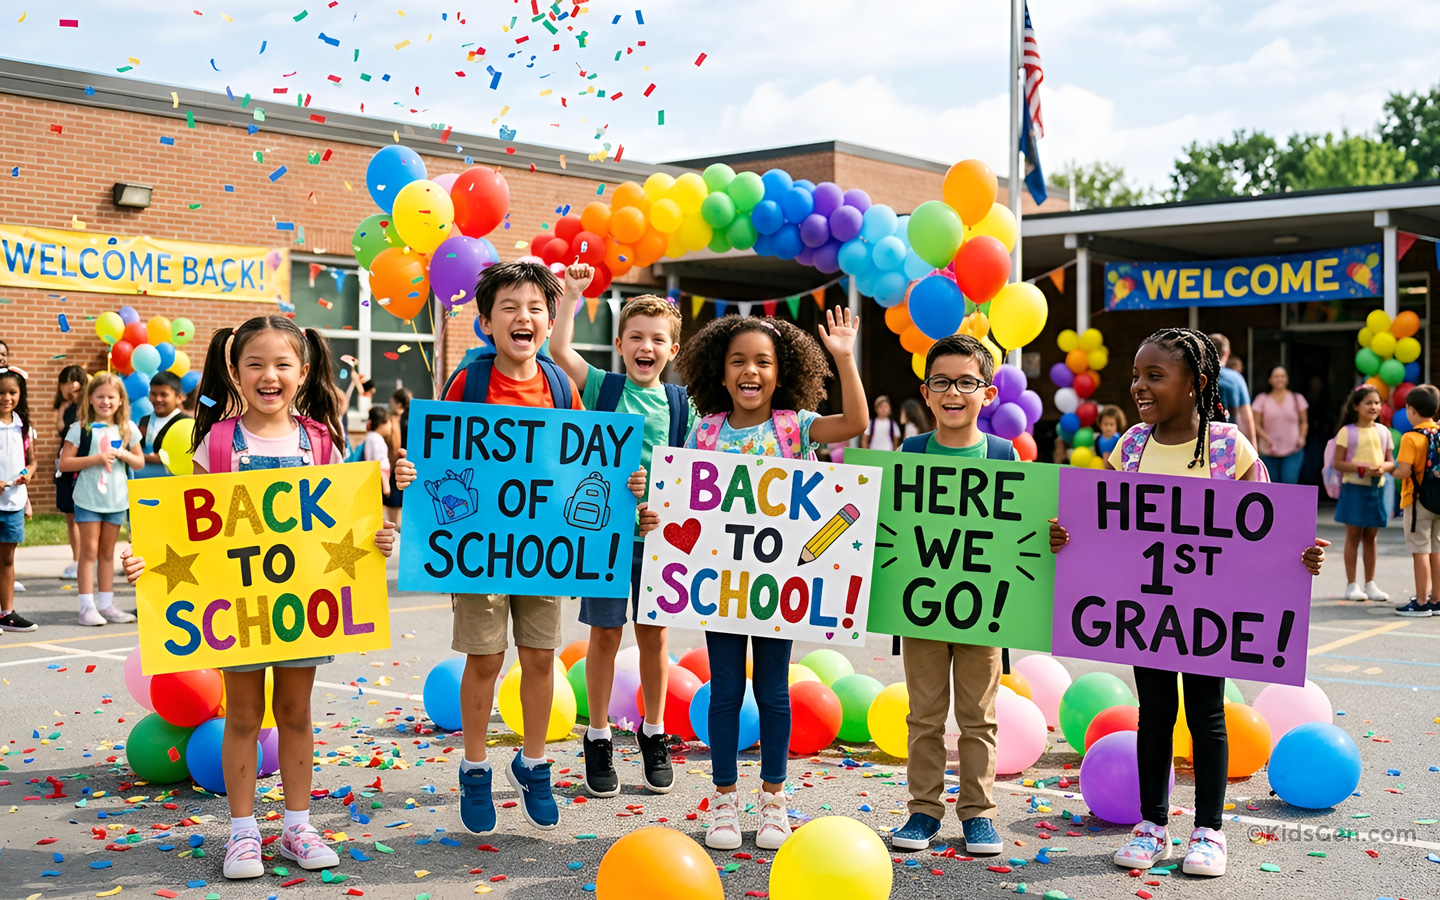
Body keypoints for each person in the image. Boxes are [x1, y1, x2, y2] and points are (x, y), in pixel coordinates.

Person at [122, 315, 412, 881]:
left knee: (296, 714)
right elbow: (187, 526)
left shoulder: (322, 440)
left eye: (282, 364)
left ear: (303, 372)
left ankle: (297, 826)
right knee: (244, 716)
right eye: (254, 364)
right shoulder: (217, 442)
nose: (268, 375)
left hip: (303, 605)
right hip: (238, 608)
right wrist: (147, 561)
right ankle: (242, 832)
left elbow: (345, 519)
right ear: (234, 372)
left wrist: (378, 538)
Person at [1049, 328, 1327, 878]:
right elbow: (1100, 521)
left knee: (1206, 714)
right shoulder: (1131, 447)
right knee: (1154, 713)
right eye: (1136, 375)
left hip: (1210, 612)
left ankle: (1208, 831)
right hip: (1147, 609)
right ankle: (1152, 825)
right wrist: (1067, 536)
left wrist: (1300, 556)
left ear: (1197, 383)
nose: (1139, 386)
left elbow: (1268, 527)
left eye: (1155, 376)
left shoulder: (1229, 448)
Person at [439, 261, 656, 837]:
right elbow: (442, 456)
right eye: (509, 307)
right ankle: (475, 767)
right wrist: (413, 475)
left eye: (535, 307)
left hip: (543, 547)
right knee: (485, 660)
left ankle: (533, 764)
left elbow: (588, 461)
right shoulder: (469, 383)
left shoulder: (560, 386)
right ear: (487, 321)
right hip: (480, 548)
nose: (524, 317)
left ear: (550, 319)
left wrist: (627, 484)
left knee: (539, 656)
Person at [674, 308, 868, 851]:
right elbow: (680, 496)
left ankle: (774, 800)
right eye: (738, 361)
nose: (750, 371)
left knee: (773, 691)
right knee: (725, 691)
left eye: (763, 361)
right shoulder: (704, 431)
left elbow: (854, 423)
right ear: (720, 372)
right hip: (722, 588)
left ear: (781, 373)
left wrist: (844, 358)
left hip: (780, 588)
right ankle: (724, 799)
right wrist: (655, 510)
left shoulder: (795, 426)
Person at [548, 272, 693, 799]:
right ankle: (599, 734)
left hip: (658, 541)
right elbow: (559, 350)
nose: (645, 346)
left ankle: (654, 731)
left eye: (657, 339)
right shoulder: (604, 388)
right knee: (605, 637)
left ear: (672, 350)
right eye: (636, 337)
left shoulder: (682, 405)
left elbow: (697, 472)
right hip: (605, 538)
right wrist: (571, 296)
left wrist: (665, 504)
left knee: (655, 637)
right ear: (619, 344)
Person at [888, 335, 1015, 856]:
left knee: (978, 716)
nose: (953, 392)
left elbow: (1019, 529)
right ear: (925, 391)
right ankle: (923, 810)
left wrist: (1051, 534)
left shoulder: (1003, 454)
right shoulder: (911, 452)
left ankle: (978, 813)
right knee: (924, 715)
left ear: (987, 393)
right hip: (921, 606)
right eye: (941, 382)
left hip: (984, 609)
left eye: (966, 382)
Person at [58, 373, 143, 627]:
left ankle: (106, 605)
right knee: (89, 552)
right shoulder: (80, 428)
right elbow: (65, 463)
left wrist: (123, 454)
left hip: (116, 500)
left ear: (120, 400)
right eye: (100, 396)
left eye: (111, 397)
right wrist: (97, 458)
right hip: (88, 498)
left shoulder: (128, 428)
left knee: (107, 553)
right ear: (90, 399)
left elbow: (138, 462)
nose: (106, 401)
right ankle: (87, 608)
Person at [1333, 385, 1393, 602]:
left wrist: (1382, 468)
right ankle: (1352, 584)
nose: (1374, 407)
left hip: (1376, 489)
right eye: (1368, 403)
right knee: (1353, 536)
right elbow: (1338, 463)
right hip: (1353, 489)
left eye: (1377, 403)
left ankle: (1370, 583)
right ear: (1356, 406)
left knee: (1371, 537)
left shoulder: (1384, 432)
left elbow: (1391, 462)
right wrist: (1361, 468)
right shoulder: (1346, 432)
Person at [1391, 384, 1440, 617]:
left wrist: (1388, 469)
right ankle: (1437, 599)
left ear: (1411, 410)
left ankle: (1421, 602)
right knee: (1436, 550)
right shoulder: (1438, 432)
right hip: (1438, 500)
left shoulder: (1411, 438)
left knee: (1420, 550)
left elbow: (1404, 471)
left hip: (1418, 501)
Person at [0, 368, 37, 632]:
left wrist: (28, 474)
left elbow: (32, 461)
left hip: (13, 502)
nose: (6, 397)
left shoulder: (23, 426)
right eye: (1, 392)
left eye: (12, 392)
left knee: (7, 560)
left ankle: (7, 613)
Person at [52, 365, 87, 580]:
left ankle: (86, 559)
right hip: (65, 464)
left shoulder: (88, 405)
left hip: (83, 464)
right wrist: (63, 408)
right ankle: (76, 559)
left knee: (84, 515)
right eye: (64, 382)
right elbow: (60, 430)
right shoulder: (64, 406)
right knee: (70, 515)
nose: (69, 386)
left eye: (73, 381)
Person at [1252, 365, 1309, 484]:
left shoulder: (1297, 398)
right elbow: (1255, 424)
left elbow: (1304, 422)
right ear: (1269, 380)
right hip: (1268, 450)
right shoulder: (1262, 399)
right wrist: (1267, 439)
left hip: (1293, 449)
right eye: (1276, 376)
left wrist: (1301, 437)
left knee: (1289, 482)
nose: (1279, 379)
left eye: (1282, 376)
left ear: (1287, 379)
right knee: (1270, 484)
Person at [135, 371, 191, 479]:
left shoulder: (186, 424)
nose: (158, 399)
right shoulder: (144, 421)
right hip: (143, 480)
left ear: (179, 397)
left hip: (172, 481)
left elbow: (179, 457)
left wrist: (141, 457)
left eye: (164, 395)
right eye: (153, 394)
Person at [1208, 334, 1255, 444]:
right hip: (1224, 442)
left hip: (1194, 440)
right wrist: (1253, 449)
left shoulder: (1192, 377)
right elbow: (1244, 416)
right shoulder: (1234, 379)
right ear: (1227, 353)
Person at [383, 387, 411, 529]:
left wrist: (392, 467)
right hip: (409, 465)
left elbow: (395, 446)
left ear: (398, 404)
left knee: (393, 501)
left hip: (397, 465)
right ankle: (398, 527)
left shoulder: (394, 419)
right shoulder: (413, 417)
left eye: (392, 402)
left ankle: (394, 528)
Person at [360, 405, 392, 501]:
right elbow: (378, 463)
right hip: (379, 479)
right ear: (382, 424)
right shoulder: (375, 439)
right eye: (388, 422)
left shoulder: (372, 437)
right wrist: (386, 486)